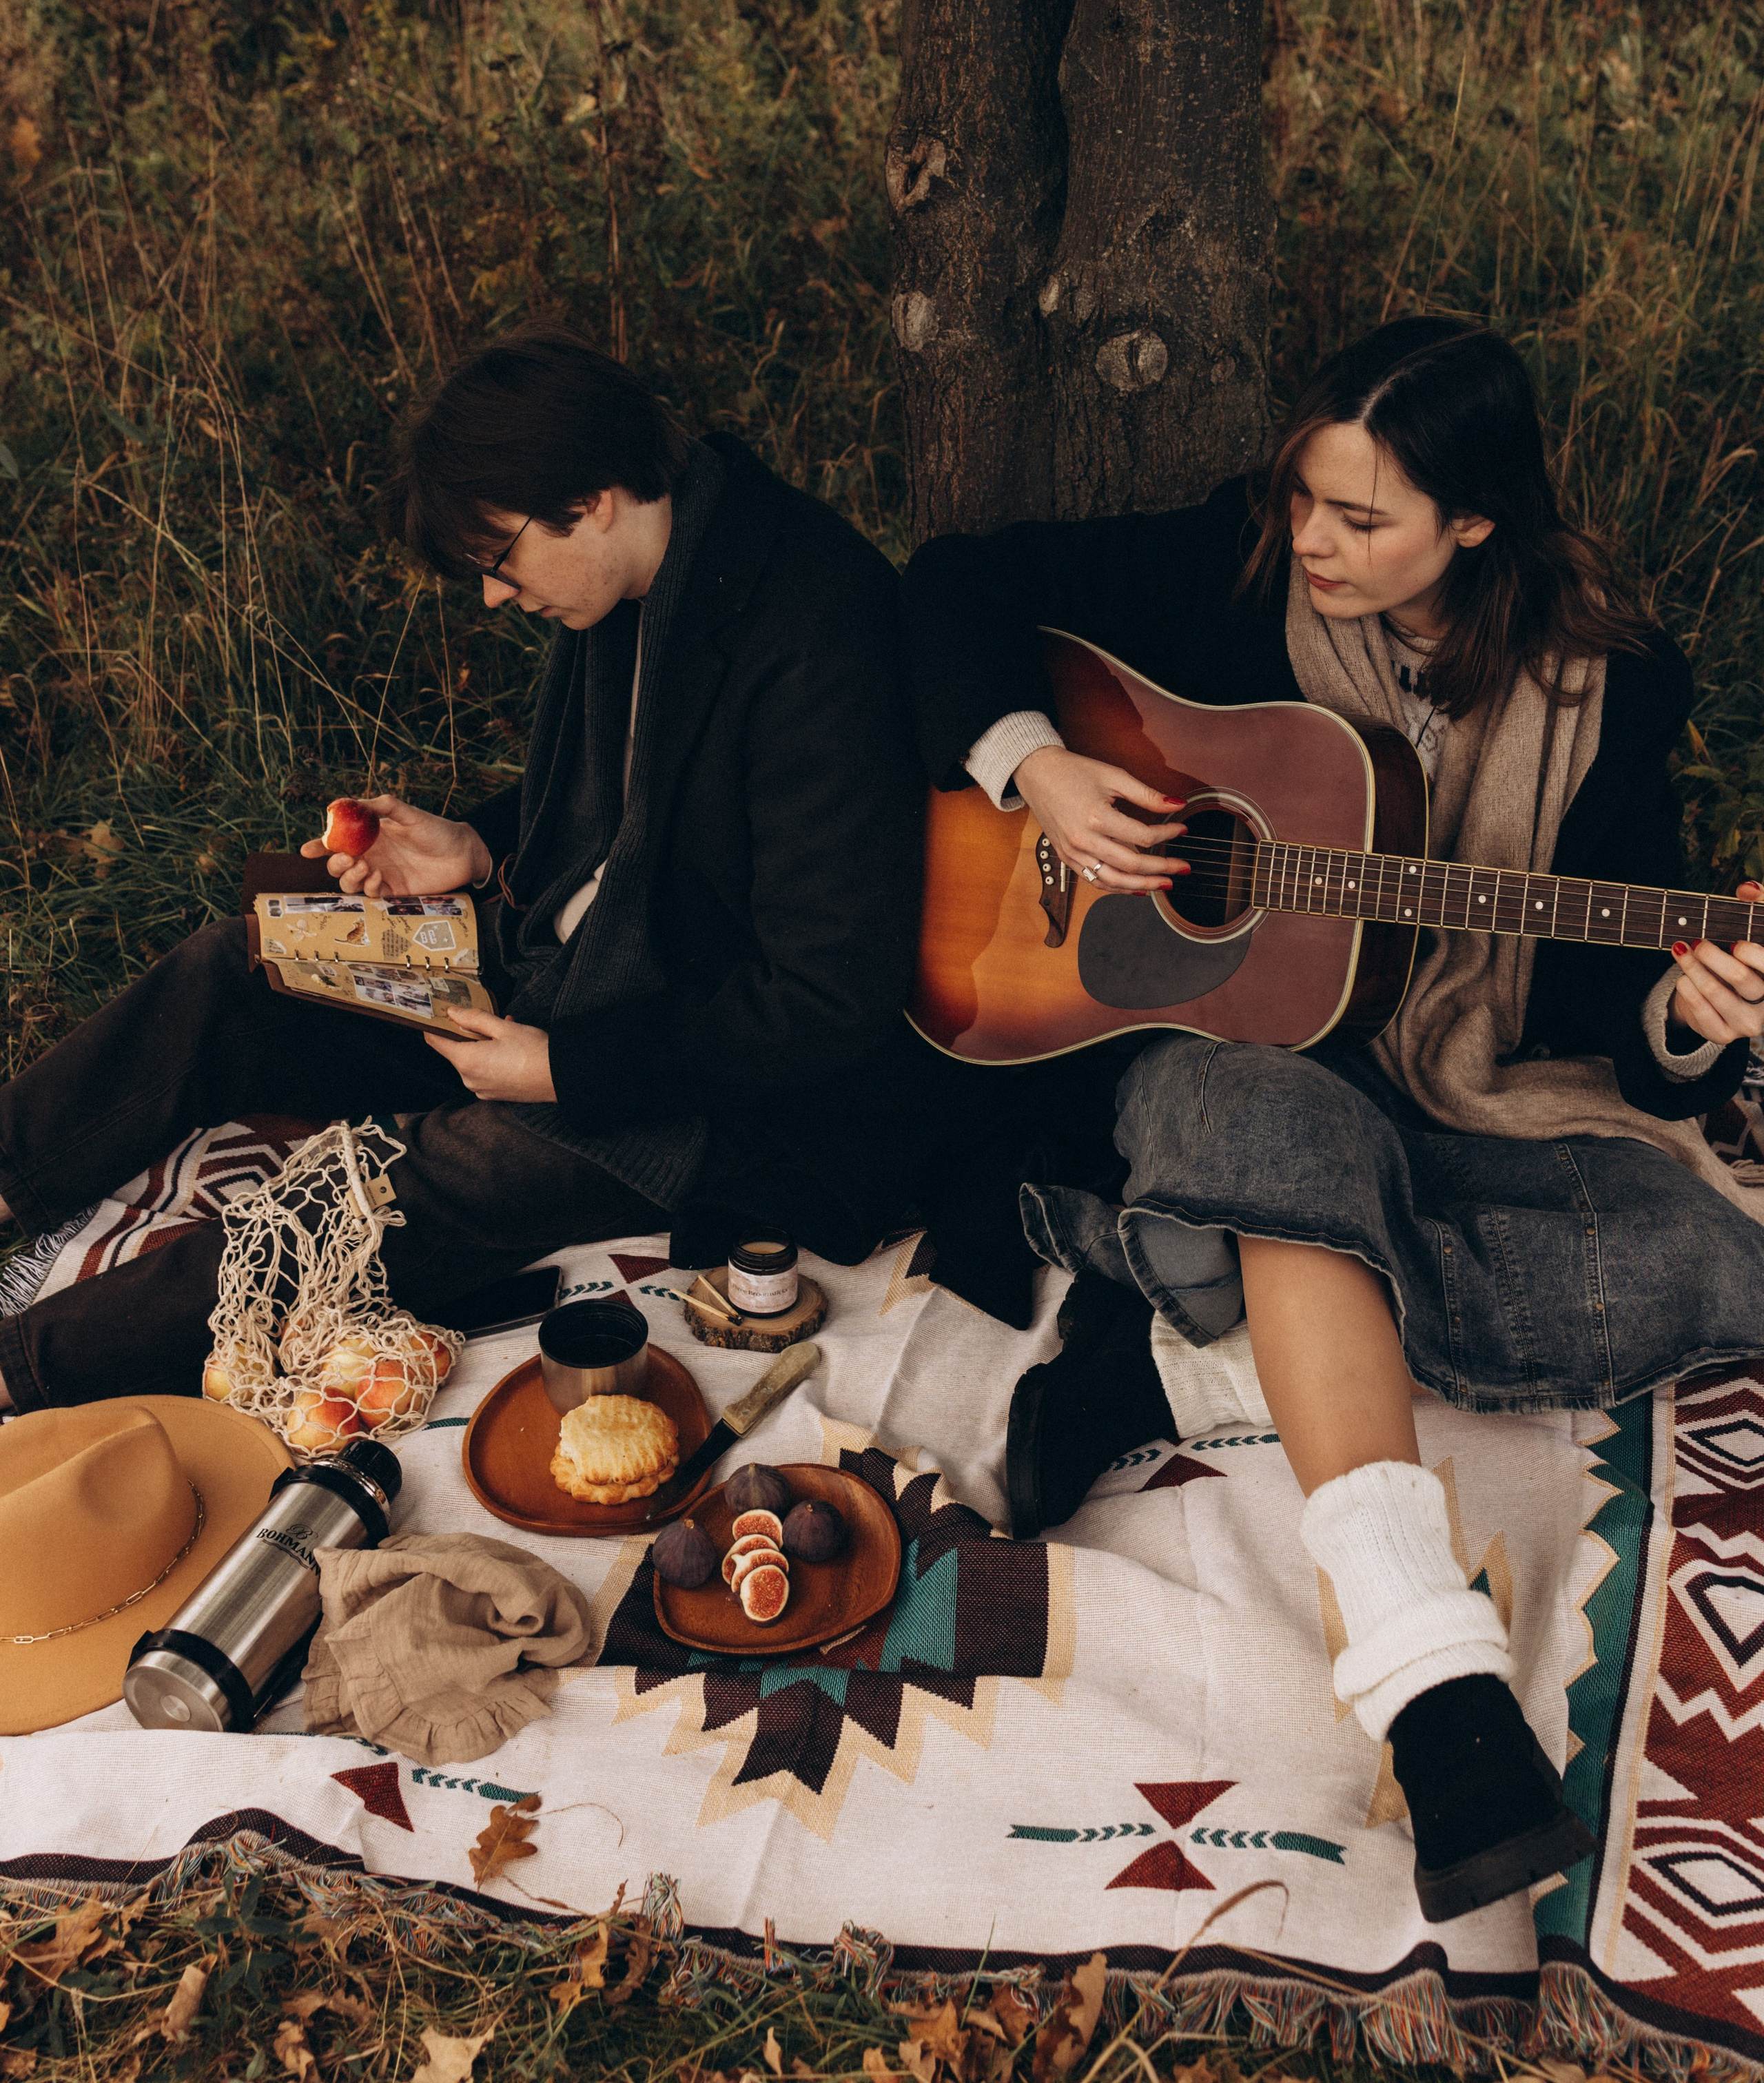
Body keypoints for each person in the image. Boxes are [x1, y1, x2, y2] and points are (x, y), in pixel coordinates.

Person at [903, 317, 1764, 1924]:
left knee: (1694, 1240)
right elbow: (946, 580)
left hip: (1456, 1066)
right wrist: (1033, 772)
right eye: (1305, 496)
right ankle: (1433, 1687)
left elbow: (1597, 1010)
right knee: (1280, 1136)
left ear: (1475, 523)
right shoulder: (1238, 565)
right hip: (1226, 1051)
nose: (1309, 541)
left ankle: (1161, 1313)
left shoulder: (1610, 692)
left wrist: (1684, 1017)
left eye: (1359, 520)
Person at [0, 327, 1028, 1413]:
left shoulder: (815, 633)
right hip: (562, 975)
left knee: (406, 1186)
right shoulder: (637, 567)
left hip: (706, 1088)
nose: (495, 598)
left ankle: (25, 1366)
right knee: (253, 957)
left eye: (499, 560)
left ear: (588, 499)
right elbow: (640, 815)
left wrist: (563, 1070)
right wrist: (483, 844)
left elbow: (824, 999)